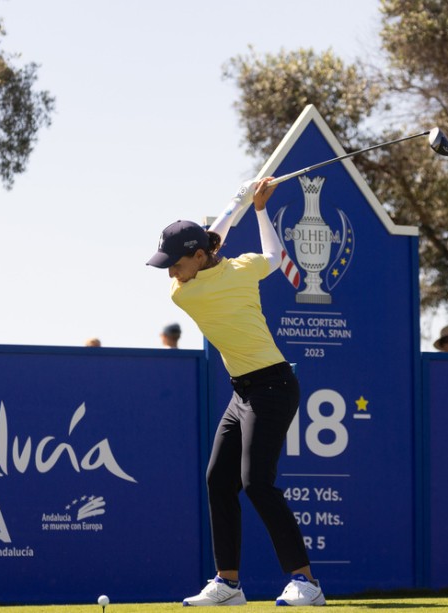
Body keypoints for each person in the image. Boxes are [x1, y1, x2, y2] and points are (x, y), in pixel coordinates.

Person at [147, 178, 325, 607]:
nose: (170, 272)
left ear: (199, 256)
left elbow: (227, 240)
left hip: (274, 385)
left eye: (174, 262)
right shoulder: (215, 278)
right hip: (243, 392)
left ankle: (307, 583)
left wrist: (245, 203)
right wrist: (254, 206)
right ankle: (228, 584)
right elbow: (273, 257)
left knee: (256, 484)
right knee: (218, 480)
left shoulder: (193, 287)